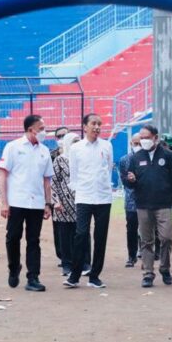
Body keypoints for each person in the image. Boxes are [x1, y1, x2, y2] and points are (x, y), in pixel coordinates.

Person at [124, 124, 172, 288]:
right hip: (143, 204)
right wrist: (130, 180)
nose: (143, 141)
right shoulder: (136, 158)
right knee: (146, 240)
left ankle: (165, 268)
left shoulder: (169, 156)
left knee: (166, 237)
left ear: (156, 138)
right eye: (141, 138)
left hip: (163, 204)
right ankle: (148, 273)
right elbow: (129, 182)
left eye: (147, 138)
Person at [0, 115, 54, 292]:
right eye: (41, 128)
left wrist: (48, 203)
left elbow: (47, 180)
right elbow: (3, 175)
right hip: (17, 201)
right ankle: (14, 267)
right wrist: (4, 202)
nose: (44, 131)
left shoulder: (45, 151)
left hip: (37, 202)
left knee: (33, 240)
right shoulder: (13, 147)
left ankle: (33, 277)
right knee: (13, 237)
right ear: (31, 129)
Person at [64, 113, 113, 290]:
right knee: (81, 234)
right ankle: (75, 275)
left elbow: (108, 168)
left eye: (99, 124)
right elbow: (74, 173)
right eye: (93, 123)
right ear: (85, 126)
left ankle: (94, 276)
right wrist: (80, 191)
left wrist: (103, 187)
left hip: (103, 197)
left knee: (100, 237)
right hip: (84, 197)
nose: (97, 127)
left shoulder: (107, 146)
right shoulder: (76, 148)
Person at [52, 132, 81, 277]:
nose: (77, 143)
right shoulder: (59, 160)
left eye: (79, 140)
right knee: (65, 235)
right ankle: (67, 264)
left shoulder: (83, 159)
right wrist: (56, 201)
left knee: (82, 233)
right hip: (63, 204)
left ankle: (83, 262)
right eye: (74, 141)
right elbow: (54, 182)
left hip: (81, 202)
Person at [119, 133, 142, 267]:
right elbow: (124, 180)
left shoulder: (149, 158)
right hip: (131, 200)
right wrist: (131, 181)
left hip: (147, 199)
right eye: (135, 143)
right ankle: (131, 255)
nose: (137, 146)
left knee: (148, 228)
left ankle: (146, 253)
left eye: (140, 143)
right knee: (131, 228)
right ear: (131, 144)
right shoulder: (124, 160)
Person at [50, 125, 69, 266]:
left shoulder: (77, 151)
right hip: (57, 196)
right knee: (58, 227)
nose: (62, 138)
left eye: (65, 135)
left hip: (75, 197)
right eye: (59, 136)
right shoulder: (52, 155)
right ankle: (62, 256)